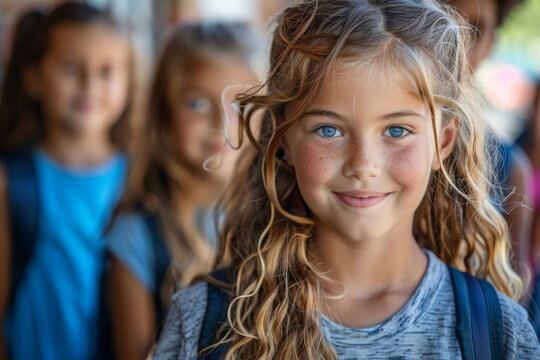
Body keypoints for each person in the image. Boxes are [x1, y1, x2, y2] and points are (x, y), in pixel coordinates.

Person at [153, 0, 540, 359]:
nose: (363, 165)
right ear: (283, 139)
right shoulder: (205, 320)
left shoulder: (497, 332)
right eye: (328, 130)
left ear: (443, 142)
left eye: (397, 131)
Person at [104, 22, 257, 359]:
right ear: (164, 114)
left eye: (239, 104)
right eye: (197, 104)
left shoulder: (280, 219)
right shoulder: (136, 236)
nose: (221, 120)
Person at [0, 2, 136, 359]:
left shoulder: (140, 178)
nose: (90, 84)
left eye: (107, 71)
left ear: (129, 83)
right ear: (33, 78)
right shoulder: (11, 181)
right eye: (71, 67)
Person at [448, 0, 533, 282]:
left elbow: (515, 291)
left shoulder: (508, 169)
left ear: (491, 45)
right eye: (442, 20)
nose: (454, 44)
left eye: (474, 31)